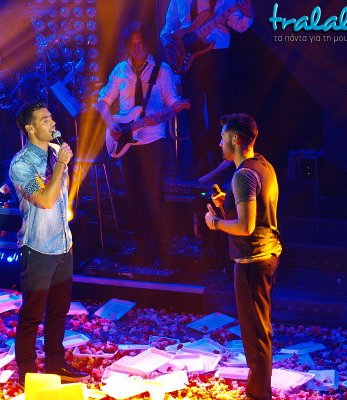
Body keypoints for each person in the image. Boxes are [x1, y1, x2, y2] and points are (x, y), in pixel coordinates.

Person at [9, 101, 88, 386]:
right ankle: (27, 370)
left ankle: (55, 363)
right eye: (44, 120)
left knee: (58, 311)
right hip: (38, 247)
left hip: (63, 245)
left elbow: (61, 199)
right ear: (30, 128)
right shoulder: (21, 165)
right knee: (32, 313)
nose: (52, 123)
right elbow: (44, 200)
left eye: (51, 118)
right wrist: (62, 165)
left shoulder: (55, 152)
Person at [204, 114, 281, 400]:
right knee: (260, 327)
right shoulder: (263, 165)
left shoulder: (242, 176)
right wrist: (229, 206)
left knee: (254, 332)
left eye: (223, 137)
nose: (219, 143)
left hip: (253, 261)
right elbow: (256, 213)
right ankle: (259, 390)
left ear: (235, 139)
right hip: (268, 253)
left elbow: (246, 227)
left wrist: (215, 222)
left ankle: (258, 395)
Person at [96, 22, 181, 266]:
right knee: (134, 197)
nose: (138, 48)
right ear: (127, 47)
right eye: (133, 44)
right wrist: (111, 124)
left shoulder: (162, 70)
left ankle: (163, 250)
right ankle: (143, 249)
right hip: (126, 142)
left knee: (155, 196)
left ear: (147, 44)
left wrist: (162, 117)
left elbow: (173, 104)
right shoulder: (120, 71)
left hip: (153, 140)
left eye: (141, 43)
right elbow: (102, 101)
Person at [161, 0, 253, 177]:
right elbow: (170, 24)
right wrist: (167, 42)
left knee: (218, 110)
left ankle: (221, 161)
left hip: (216, 53)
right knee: (192, 111)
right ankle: (200, 160)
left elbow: (239, 25)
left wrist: (247, 11)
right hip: (187, 52)